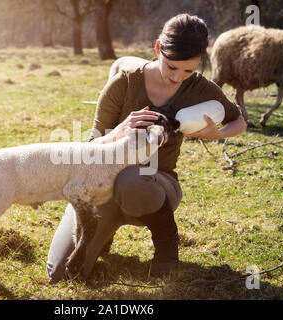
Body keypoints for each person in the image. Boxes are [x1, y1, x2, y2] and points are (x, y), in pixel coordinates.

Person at [46, 13, 247, 283]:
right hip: (102, 187)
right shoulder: (123, 83)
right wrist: (118, 131)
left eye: (188, 70)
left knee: (133, 178)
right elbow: (89, 150)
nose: (177, 78)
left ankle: (166, 241)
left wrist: (216, 134)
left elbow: (239, 121)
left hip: (155, 187)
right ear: (157, 50)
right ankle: (103, 232)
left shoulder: (201, 88)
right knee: (61, 274)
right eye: (171, 67)